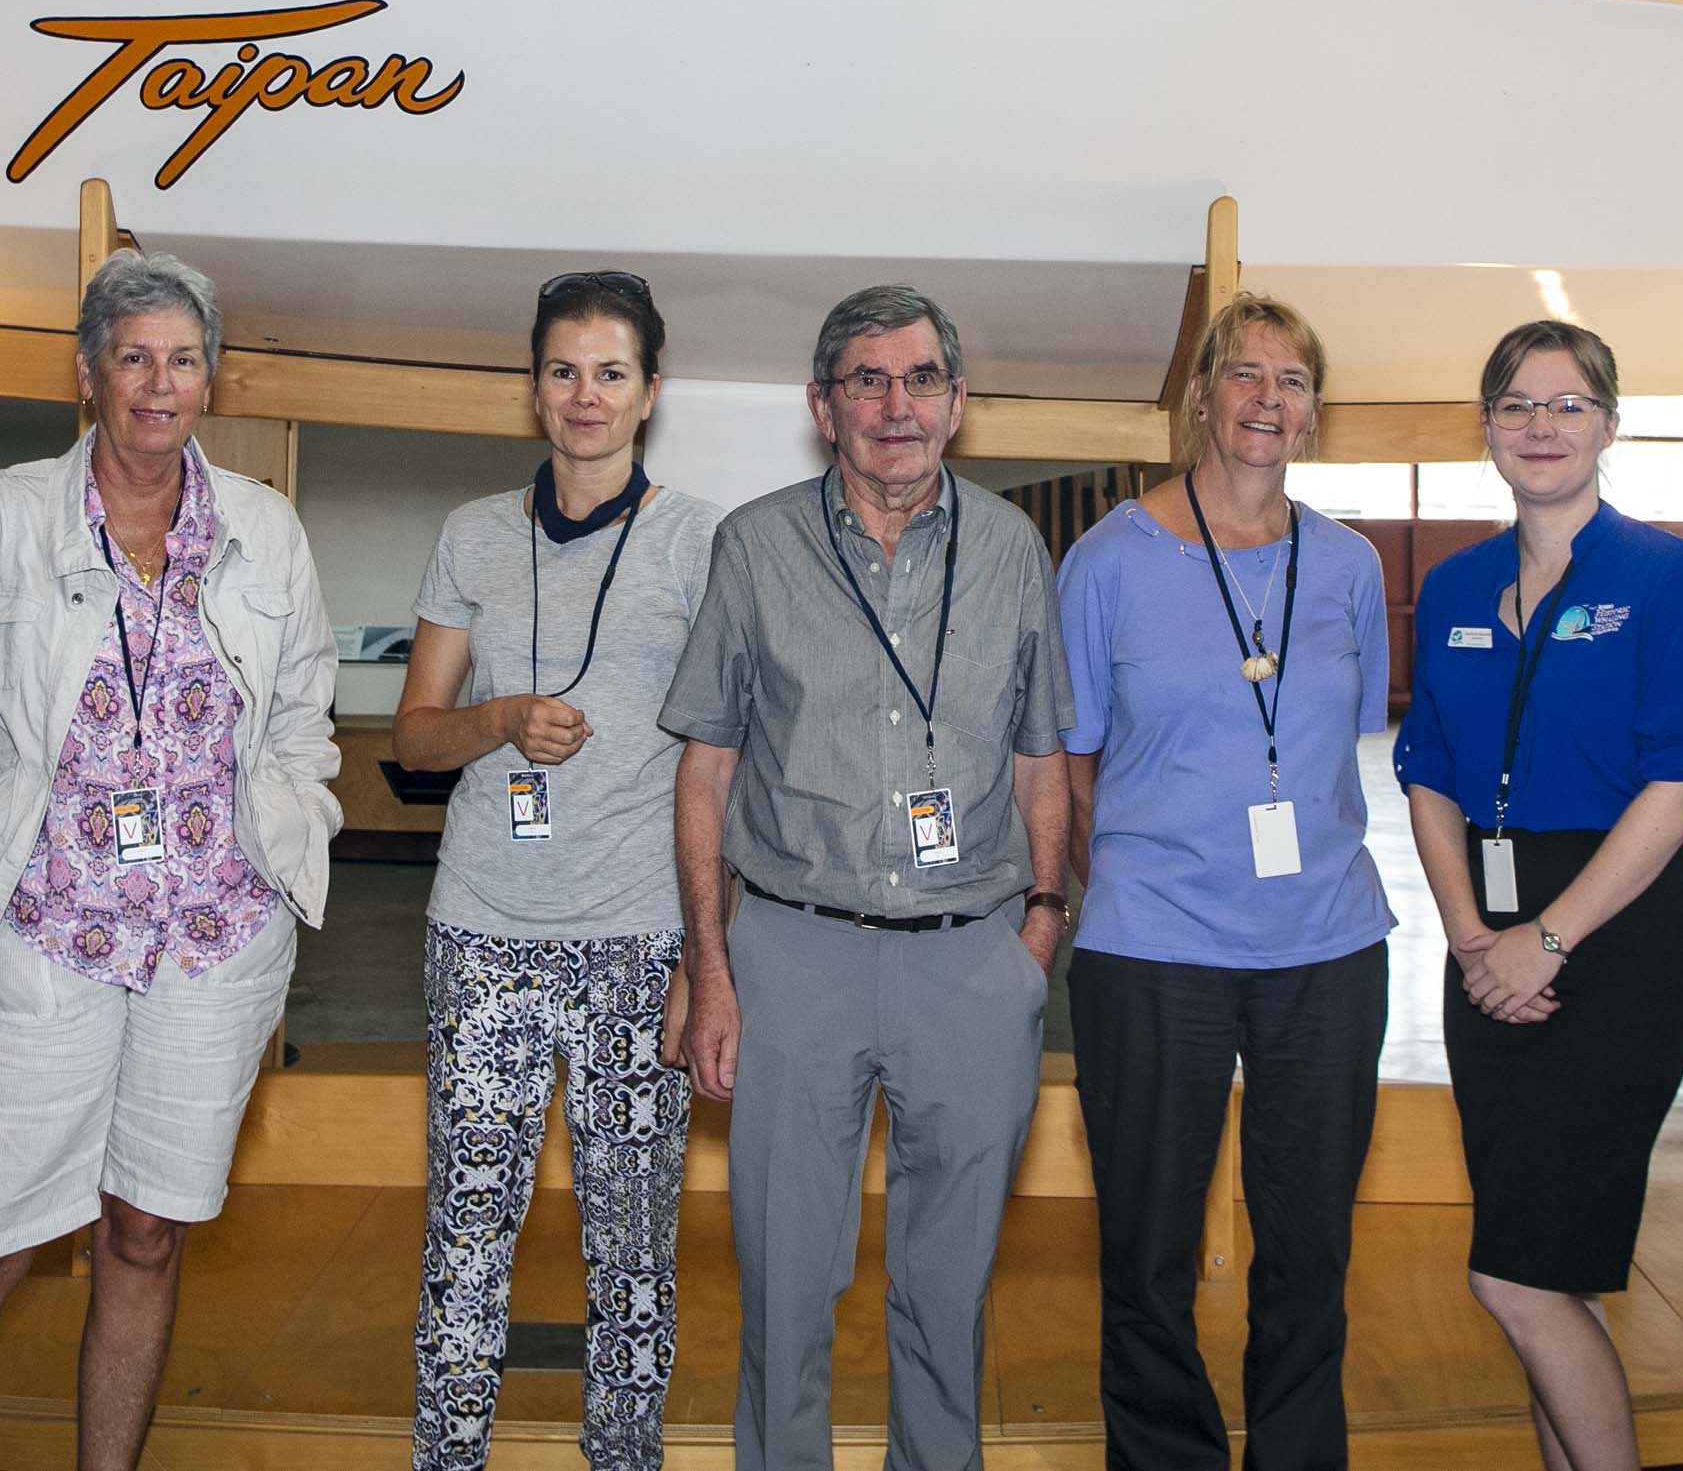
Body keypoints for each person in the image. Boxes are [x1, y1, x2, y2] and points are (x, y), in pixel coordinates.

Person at [0, 250, 341, 1471]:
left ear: (211, 381)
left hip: (213, 949)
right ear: (88, 374)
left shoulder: (265, 532)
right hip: (45, 944)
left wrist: (294, 842)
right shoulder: (9, 517)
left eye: (182, 359)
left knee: (143, 1236)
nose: (158, 383)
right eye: (133, 357)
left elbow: (300, 721)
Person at [660, 283, 1074, 1471]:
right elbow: (707, 771)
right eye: (868, 380)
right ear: (822, 403)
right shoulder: (756, 545)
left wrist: (1038, 930)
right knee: (786, 1284)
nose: (898, 405)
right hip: (796, 954)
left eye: (923, 378)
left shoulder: (1008, 548)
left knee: (949, 1290)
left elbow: (1043, 751)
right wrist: (715, 969)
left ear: (959, 400)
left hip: (972, 956)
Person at [1057, 294, 1393, 1471]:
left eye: (1292, 378)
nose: (1267, 397)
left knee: (1310, 1250)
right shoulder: (1109, 560)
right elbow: (1073, 760)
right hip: (1154, 949)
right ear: (1198, 396)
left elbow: (1342, 744)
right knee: (1147, 1253)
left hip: (1328, 950)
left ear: (1314, 409)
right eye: (1243, 373)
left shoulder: (1347, 564)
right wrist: (1139, 883)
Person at [392, 271, 721, 1471]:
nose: (586, 395)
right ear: (534, 388)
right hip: (482, 935)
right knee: (466, 1237)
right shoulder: (473, 532)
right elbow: (414, 735)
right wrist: (501, 718)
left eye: (612, 372)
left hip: (641, 944)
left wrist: (707, 956)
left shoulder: (699, 542)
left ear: (649, 393)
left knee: (634, 1256)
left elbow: (729, 765)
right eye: (565, 370)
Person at [1392, 319, 1683, 1471]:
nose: (1542, 427)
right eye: (1519, 406)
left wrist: (1544, 938)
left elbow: (1680, 779)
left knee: (1512, 1271)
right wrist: (1473, 935)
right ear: (1487, 426)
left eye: (1568, 403)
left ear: (1609, 423)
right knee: (1541, 1263)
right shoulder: (1453, 587)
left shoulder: (1670, 576)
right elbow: (1428, 769)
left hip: (1617, 932)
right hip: (1484, 934)